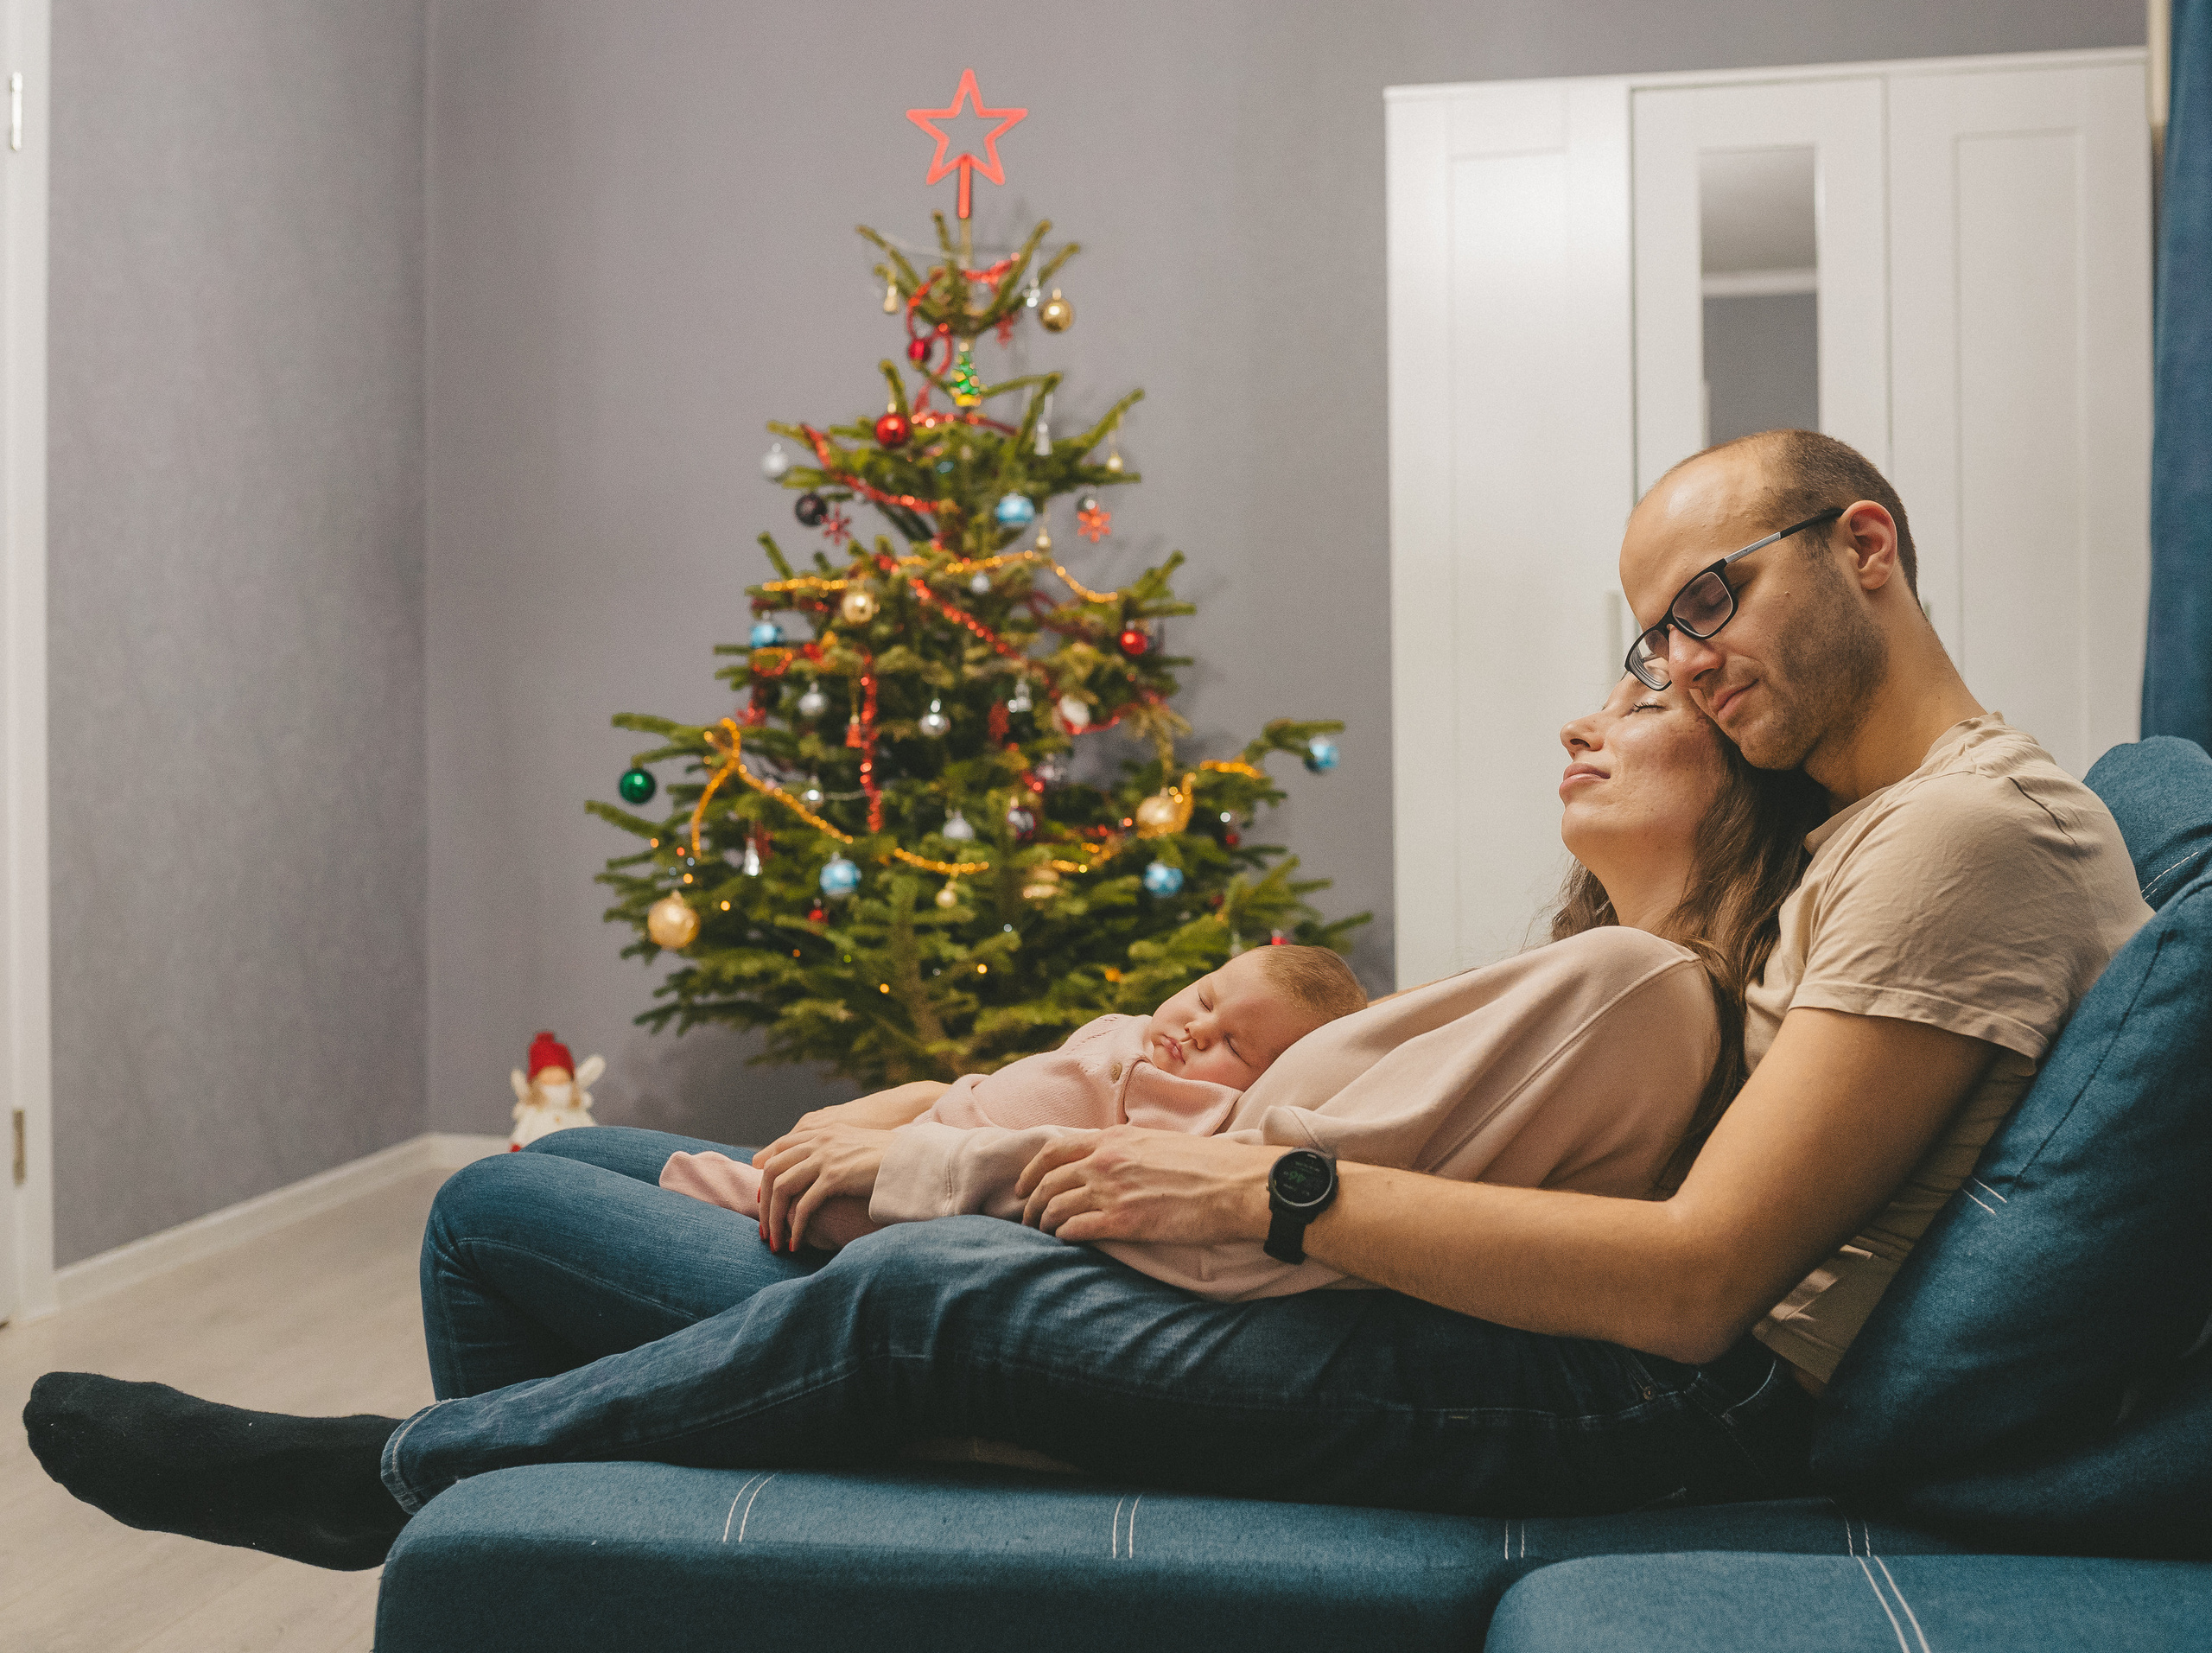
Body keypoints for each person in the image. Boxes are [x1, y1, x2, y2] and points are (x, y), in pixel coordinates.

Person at [25, 429, 2147, 1566]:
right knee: (562, 1205)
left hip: (1660, 1410)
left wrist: (1267, 1196)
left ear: (1862, 541)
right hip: (1555, 1333)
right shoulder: (1847, 839)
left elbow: (1699, 1286)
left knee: (908, 1301)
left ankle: (395, 1481)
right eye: (1644, 632)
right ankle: (518, 1549)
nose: (1677, 661)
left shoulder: (1963, 831)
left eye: (1710, 599)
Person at [660, 944, 1370, 1254]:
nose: (1195, 1030)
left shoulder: (1193, 1114)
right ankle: (735, 1186)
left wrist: (915, 1141)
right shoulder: (1129, 1029)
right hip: (926, 1132)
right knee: (586, 1154)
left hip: (930, 1199)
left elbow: (1083, 1158)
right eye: (1207, 997)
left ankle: (727, 1196)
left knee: (813, 1203)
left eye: (1234, 1047)